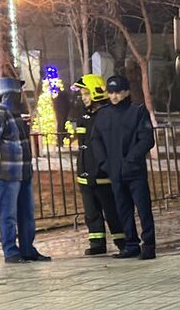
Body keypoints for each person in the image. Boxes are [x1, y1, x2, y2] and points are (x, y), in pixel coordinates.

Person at [0, 76, 49, 265]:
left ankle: (27, 249)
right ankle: (11, 251)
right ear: (10, 93)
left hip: (23, 171)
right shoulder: (0, 113)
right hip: (7, 173)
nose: (21, 94)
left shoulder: (15, 113)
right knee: (9, 214)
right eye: (18, 90)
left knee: (26, 213)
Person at [93, 74, 155, 259]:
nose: (114, 96)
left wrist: (131, 160)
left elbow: (146, 139)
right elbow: (96, 140)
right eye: (111, 92)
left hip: (134, 171)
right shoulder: (103, 114)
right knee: (123, 209)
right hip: (114, 170)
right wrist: (104, 163)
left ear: (127, 92)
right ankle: (131, 244)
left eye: (118, 92)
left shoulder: (137, 111)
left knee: (143, 209)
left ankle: (149, 245)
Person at [63, 73, 120, 256]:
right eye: (82, 94)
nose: (83, 98)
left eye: (86, 94)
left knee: (112, 210)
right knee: (91, 211)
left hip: (103, 174)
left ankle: (123, 241)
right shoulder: (84, 116)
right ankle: (97, 242)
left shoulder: (108, 115)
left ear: (96, 92)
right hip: (85, 172)